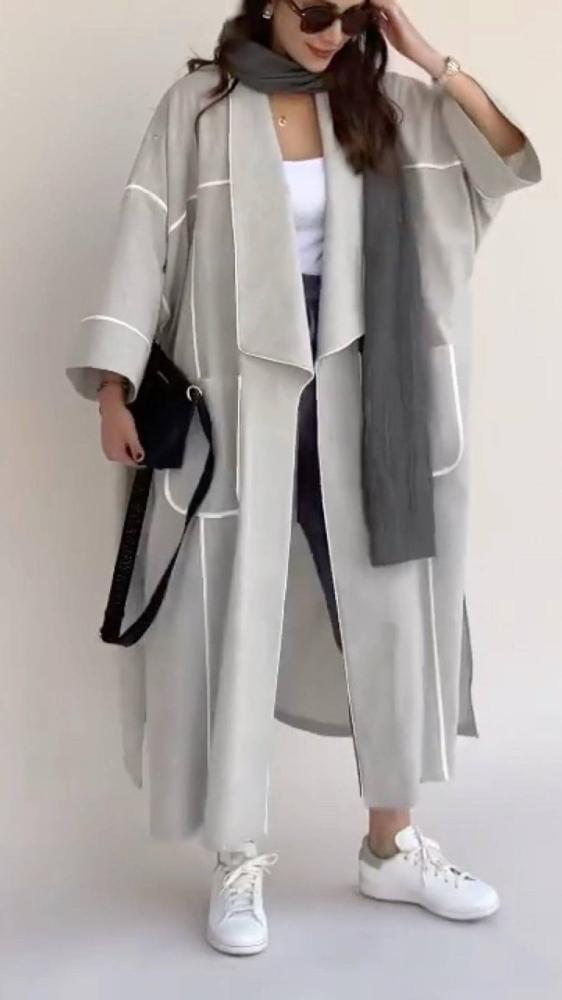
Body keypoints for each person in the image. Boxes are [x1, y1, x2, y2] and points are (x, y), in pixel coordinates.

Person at [65, 0, 541, 956]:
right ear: (270, 5)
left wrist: (424, 53)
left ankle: (391, 846)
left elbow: (501, 161)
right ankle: (237, 856)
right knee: (235, 609)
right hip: (237, 390)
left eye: (352, 12)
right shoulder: (202, 105)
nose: (332, 32)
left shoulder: (387, 101)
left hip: (369, 389)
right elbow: (146, 233)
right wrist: (113, 386)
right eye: (316, 11)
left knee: (390, 605)